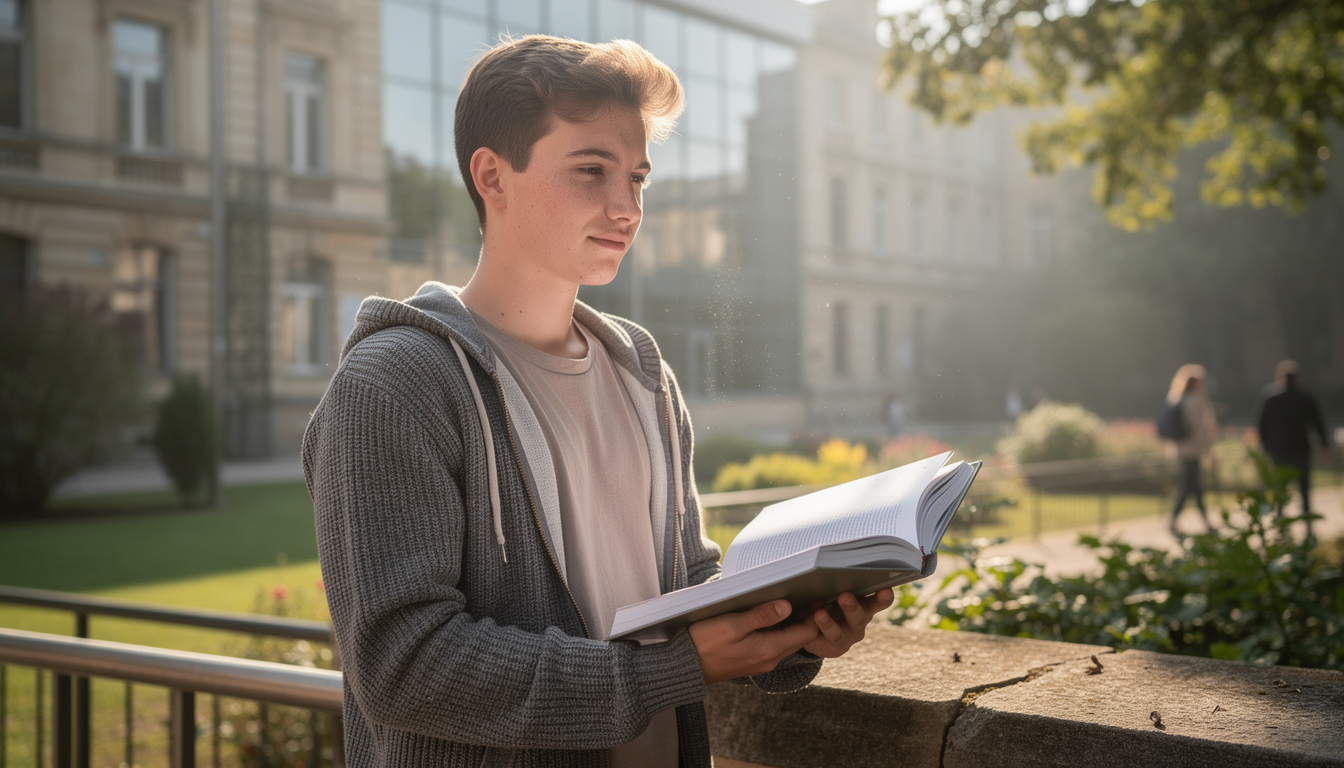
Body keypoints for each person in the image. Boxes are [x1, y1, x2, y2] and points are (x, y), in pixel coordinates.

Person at [302, 36, 891, 768]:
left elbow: (682, 582)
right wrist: (670, 669)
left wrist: (790, 625)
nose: (627, 207)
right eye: (592, 171)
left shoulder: (641, 369)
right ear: (493, 175)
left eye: (638, 178)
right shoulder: (394, 384)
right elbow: (402, 666)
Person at [1256, 360, 1332, 524]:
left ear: (1279, 377)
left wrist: (1265, 446)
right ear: (1298, 378)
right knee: (1304, 486)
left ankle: (1280, 521)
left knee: (1280, 487)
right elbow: (1318, 423)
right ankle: (1307, 520)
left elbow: (1262, 425)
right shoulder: (1305, 396)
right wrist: (1324, 446)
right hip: (1300, 448)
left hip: (1278, 449)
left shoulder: (1270, 397)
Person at [1165, 364, 1218, 535]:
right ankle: (1177, 519)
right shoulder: (1196, 401)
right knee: (1190, 486)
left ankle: (1198, 520)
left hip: (1181, 449)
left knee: (1193, 487)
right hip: (1192, 450)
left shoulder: (1177, 398)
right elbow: (1200, 430)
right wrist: (1208, 451)